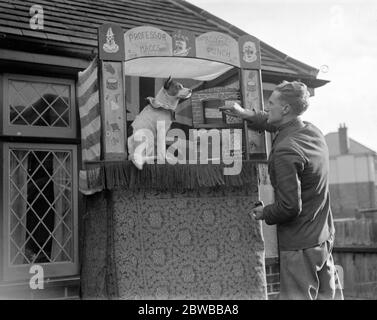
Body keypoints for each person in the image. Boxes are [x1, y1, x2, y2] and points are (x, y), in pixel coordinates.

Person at [220, 81, 343, 300]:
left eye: (271, 103)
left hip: (300, 247)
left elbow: (289, 207)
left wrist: (263, 213)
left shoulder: (286, 151)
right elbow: (277, 124)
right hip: (322, 236)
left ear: (285, 109)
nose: (267, 108)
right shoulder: (312, 131)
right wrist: (245, 113)